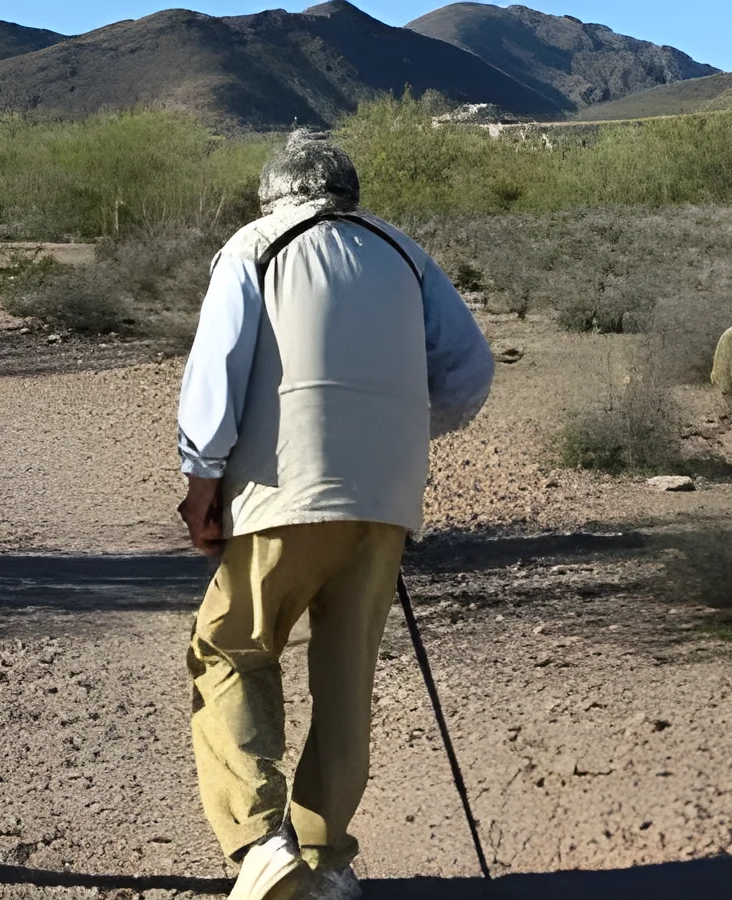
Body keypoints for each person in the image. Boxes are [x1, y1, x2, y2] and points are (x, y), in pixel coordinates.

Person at [175, 130, 494, 900]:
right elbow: (469, 369)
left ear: (274, 192)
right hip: (385, 497)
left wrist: (201, 474)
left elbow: (216, 371)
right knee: (347, 671)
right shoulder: (405, 253)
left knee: (230, 650)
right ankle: (326, 859)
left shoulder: (255, 245)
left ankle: (259, 842)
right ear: (348, 191)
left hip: (284, 487)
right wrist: (404, 429)